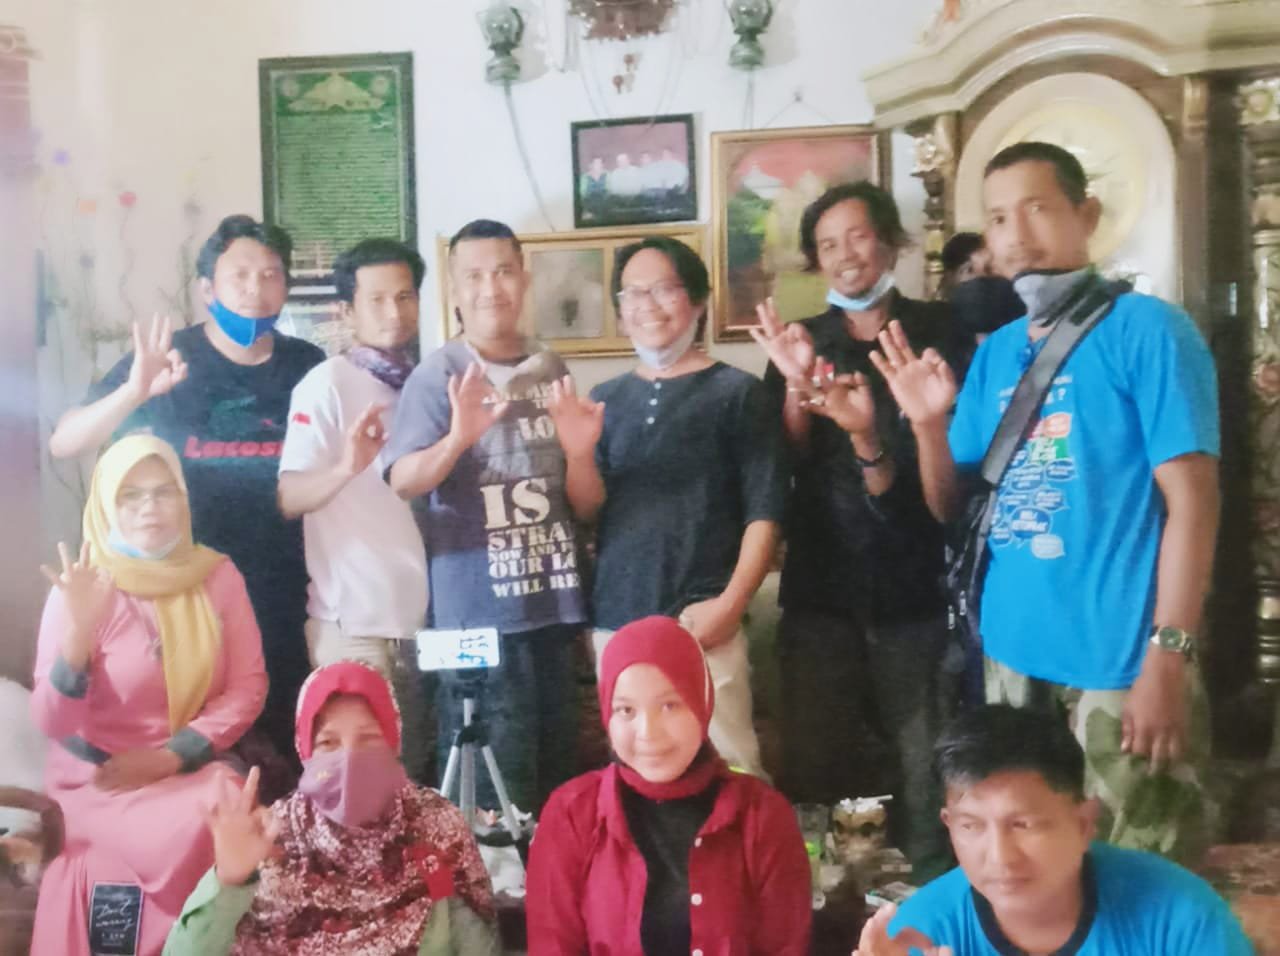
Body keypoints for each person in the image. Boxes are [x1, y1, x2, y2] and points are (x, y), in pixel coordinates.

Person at [873, 141, 1220, 861]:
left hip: (1119, 659)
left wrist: (1169, 655)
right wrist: (928, 425)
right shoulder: (997, 352)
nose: (1017, 234)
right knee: (1033, 868)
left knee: (1140, 866)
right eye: (999, 218)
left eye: (1037, 208)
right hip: (1012, 658)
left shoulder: (1150, 330)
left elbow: (1194, 501)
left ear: (1086, 215)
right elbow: (951, 507)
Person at [49, 214, 325, 770]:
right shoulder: (171, 359)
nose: (255, 289)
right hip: (185, 585)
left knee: (284, 741)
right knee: (195, 740)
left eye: (270, 275)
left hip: (283, 582)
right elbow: (65, 441)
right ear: (207, 289)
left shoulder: (308, 365)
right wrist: (134, 392)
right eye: (239, 275)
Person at [751, 181, 970, 878]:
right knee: (820, 765)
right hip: (822, 586)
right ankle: (831, 900)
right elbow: (784, 462)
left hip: (917, 585)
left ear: (891, 243)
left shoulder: (942, 331)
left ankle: (930, 898)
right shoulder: (802, 341)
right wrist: (794, 385)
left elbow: (955, 474)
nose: (845, 255)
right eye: (827, 245)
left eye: (858, 236)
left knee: (925, 760)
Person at [29, 434, 268, 956]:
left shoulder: (217, 577)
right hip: (99, 780)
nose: (149, 507)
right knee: (190, 826)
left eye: (164, 492)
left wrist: (170, 756)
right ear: (105, 505)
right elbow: (51, 721)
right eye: (130, 495)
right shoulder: (82, 588)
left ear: (183, 499)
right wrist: (79, 635)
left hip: (182, 768)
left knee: (230, 807)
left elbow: (247, 687)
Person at [384, 219, 589, 814]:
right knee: (488, 803)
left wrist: (581, 452)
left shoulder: (553, 369)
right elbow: (402, 480)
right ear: (454, 290)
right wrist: (457, 439)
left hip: (553, 607)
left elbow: (581, 496)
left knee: (558, 790)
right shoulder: (437, 376)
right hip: (473, 623)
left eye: (502, 271)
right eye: (473, 276)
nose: (490, 288)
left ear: (524, 278)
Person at [566, 235, 786, 777]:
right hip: (619, 616)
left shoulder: (739, 393)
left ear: (698, 301)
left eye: (664, 289)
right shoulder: (605, 399)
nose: (648, 305)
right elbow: (589, 511)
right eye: (633, 293)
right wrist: (578, 453)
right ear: (620, 310)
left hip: (703, 616)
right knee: (636, 771)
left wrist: (730, 606)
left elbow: (765, 513)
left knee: (728, 768)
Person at [854, 704, 1252, 955]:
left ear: (1084, 823)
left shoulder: (1180, 916)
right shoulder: (920, 933)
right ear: (949, 825)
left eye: (1023, 824)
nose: (1000, 857)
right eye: (972, 826)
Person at [162, 660, 499, 955]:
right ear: (305, 752)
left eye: (368, 739)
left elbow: (474, 940)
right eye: (328, 743)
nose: (349, 759)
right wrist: (229, 881)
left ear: (394, 744)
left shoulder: (434, 826)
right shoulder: (271, 836)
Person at [526, 616, 813, 955]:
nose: (648, 732)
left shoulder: (762, 817)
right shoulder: (571, 813)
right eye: (626, 710)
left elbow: (784, 948)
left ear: (701, 703)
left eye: (669, 705)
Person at [278, 238, 430, 781]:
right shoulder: (326, 385)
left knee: (416, 784)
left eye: (405, 297)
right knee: (358, 787)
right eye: (377, 299)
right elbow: (288, 497)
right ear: (347, 311)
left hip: (423, 621)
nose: (395, 312)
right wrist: (345, 467)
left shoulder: (426, 383)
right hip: (356, 622)